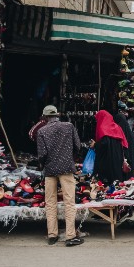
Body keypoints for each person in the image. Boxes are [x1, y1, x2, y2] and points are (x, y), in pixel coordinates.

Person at [36, 105, 83, 247]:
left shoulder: (41, 131)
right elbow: (78, 146)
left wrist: (44, 165)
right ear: (57, 115)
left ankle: (52, 235)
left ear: (45, 117)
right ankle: (70, 236)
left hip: (50, 170)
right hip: (66, 168)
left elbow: (42, 154)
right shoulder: (68, 126)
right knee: (69, 202)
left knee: (50, 202)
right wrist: (70, 157)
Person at [92, 110, 128, 184]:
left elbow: (104, 143)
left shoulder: (103, 127)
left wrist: (95, 145)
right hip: (117, 156)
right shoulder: (117, 127)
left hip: (107, 158)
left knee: (106, 179)